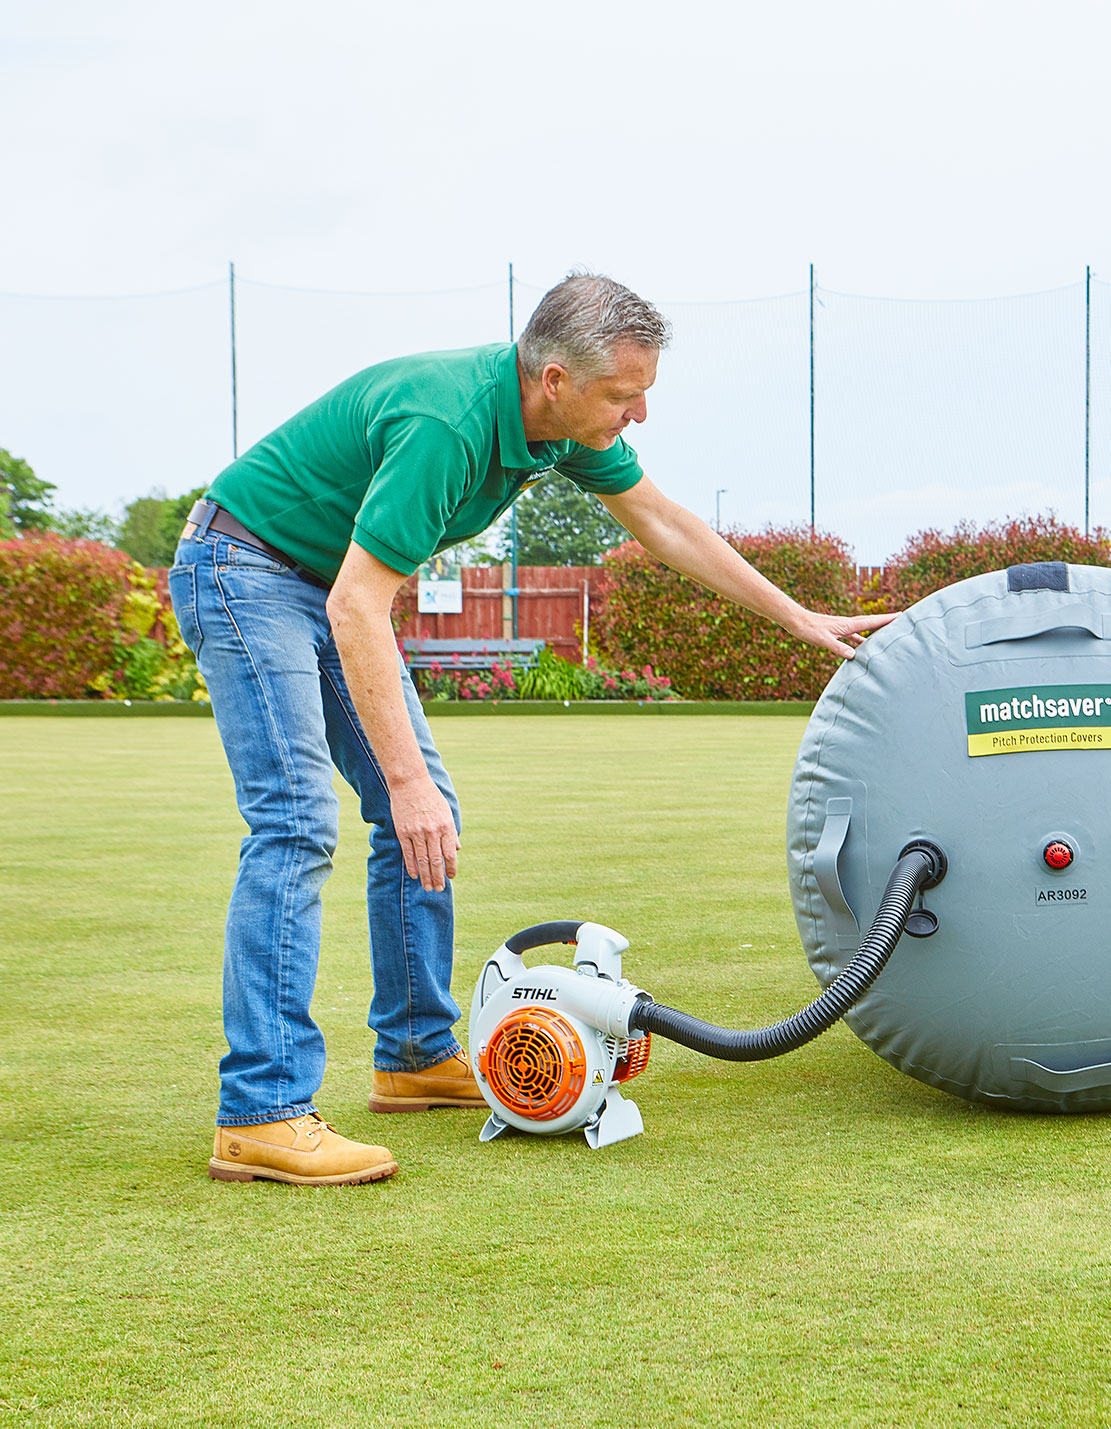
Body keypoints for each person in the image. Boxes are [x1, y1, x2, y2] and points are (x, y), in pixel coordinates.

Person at [173, 271, 890, 1186]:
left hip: (324, 584)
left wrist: (796, 616)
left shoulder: (558, 433)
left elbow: (663, 522)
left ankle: (415, 1056)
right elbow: (361, 605)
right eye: (624, 396)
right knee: (299, 820)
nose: (637, 415)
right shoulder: (449, 425)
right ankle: (263, 1111)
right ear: (554, 378)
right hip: (244, 567)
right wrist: (402, 778)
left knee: (425, 813)